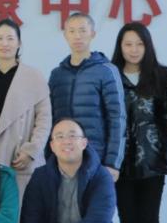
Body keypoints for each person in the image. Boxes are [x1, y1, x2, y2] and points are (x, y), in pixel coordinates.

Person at [111, 22, 167, 223]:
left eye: (139, 44)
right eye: (128, 44)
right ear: (120, 47)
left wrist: (154, 145)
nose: (134, 49)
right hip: (119, 163)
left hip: (152, 163)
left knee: (149, 222)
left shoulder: (162, 76)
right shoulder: (111, 75)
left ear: (147, 46)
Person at [0, 18, 52, 197]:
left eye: (10, 38)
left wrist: (31, 151)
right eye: (0, 38)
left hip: (21, 160)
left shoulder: (34, 77)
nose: (5, 43)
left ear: (19, 43)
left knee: (26, 210)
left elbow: (44, 119)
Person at [48, 12, 125, 180]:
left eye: (82, 30)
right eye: (72, 31)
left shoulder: (106, 70)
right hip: (61, 159)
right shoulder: (57, 74)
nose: (77, 36)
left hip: (97, 159)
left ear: (93, 34)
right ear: (65, 35)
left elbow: (117, 118)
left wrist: (113, 163)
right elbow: (50, 118)